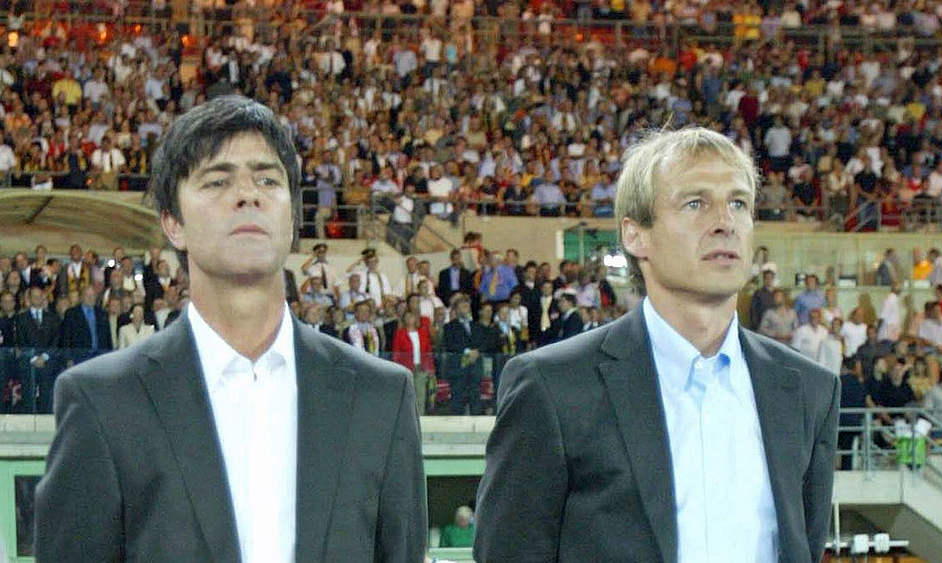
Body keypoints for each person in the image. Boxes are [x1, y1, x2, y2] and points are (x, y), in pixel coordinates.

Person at [35, 95, 426, 562]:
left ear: (292, 217)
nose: (248, 194)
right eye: (217, 181)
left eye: (267, 179)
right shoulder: (103, 402)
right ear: (173, 224)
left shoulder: (381, 398)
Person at [475, 128, 838, 562]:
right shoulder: (552, 386)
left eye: (739, 203)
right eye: (695, 203)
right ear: (635, 235)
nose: (725, 222)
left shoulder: (809, 390)